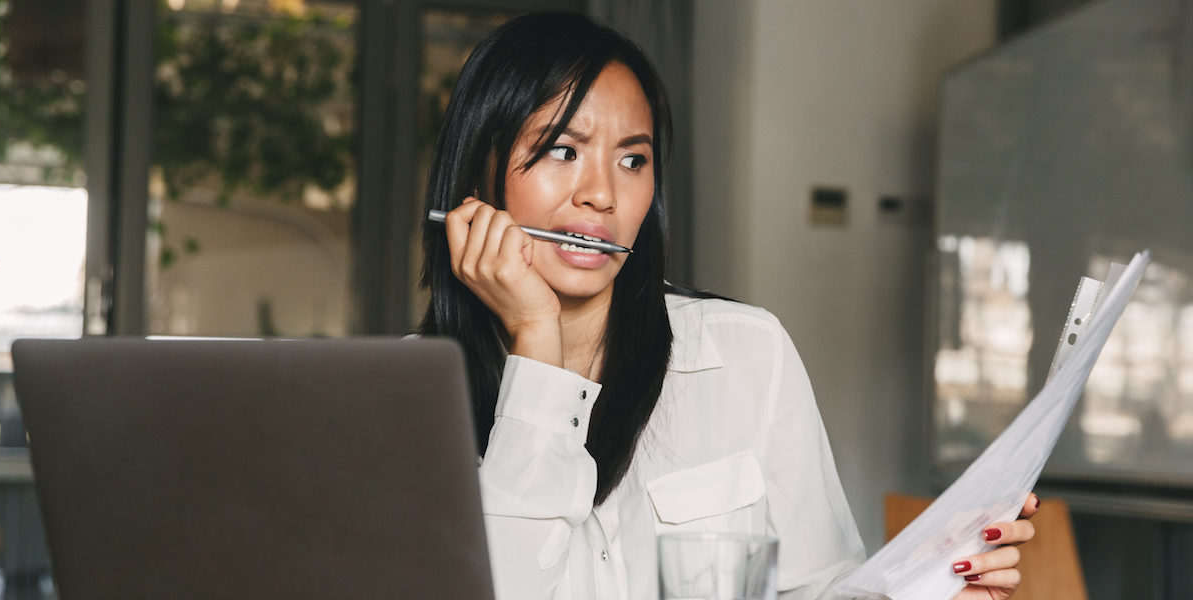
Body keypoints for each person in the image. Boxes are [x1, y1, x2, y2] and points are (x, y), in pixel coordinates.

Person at [418, 11, 1038, 600]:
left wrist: (925, 586)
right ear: (478, 177)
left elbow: (817, 585)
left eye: (633, 159)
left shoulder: (745, 350)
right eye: (563, 151)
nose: (603, 195)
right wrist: (536, 339)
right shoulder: (410, 397)